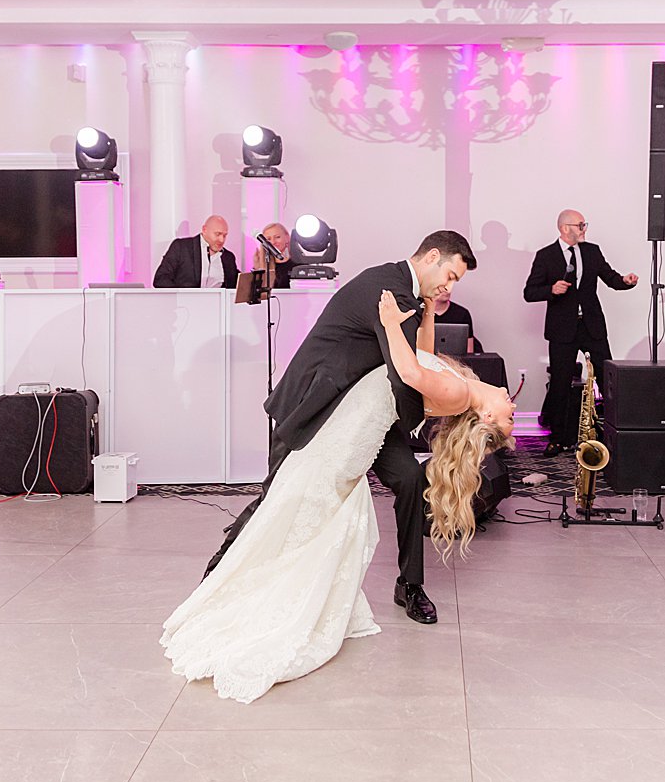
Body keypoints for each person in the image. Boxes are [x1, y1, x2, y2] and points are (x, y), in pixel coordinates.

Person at [164, 292, 514, 708]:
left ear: (488, 418)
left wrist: (388, 321)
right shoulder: (465, 388)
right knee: (292, 492)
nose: (513, 405)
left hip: (368, 425)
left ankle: (408, 586)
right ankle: (231, 561)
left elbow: (411, 369)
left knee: (348, 489)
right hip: (353, 417)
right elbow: (422, 355)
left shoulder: (461, 395)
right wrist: (423, 313)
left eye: (510, 415)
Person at [202, 231, 479, 626]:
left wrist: (430, 312)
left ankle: (410, 585)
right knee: (278, 495)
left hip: (364, 412)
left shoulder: (410, 293)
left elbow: (418, 358)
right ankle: (219, 571)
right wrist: (422, 420)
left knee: (410, 479)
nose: (450, 286)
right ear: (432, 256)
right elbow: (405, 376)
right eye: (450, 275)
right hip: (315, 405)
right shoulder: (392, 291)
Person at [523, 209, 638, 456]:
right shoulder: (546, 256)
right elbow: (529, 292)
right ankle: (558, 438)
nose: (584, 229)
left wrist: (626, 281)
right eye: (580, 225)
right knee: (560, 384)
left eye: (585, 224)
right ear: (565, 228)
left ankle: (612, 435)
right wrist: (551, 289)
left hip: (591, 325)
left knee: (609, 380)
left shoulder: (592, 251)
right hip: (562, 329)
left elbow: (611, 278)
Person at [153, 215, 239, 289]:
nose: (221, 240)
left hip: (218, 307)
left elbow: (237, 284)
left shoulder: (228, 257)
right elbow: (161, 279)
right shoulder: (181, 248)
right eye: (217, 234)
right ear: (204, 230)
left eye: (224, 235)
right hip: (184, 306)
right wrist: (182, 297)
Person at [252, 221, 293, 290]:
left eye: (277, 237)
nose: (273, 242)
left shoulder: (297, 265)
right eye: (268, 239)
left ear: (287, 238)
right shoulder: (263, 266)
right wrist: (257, 268)